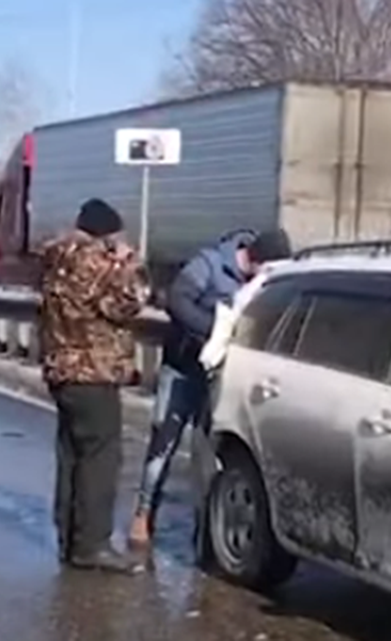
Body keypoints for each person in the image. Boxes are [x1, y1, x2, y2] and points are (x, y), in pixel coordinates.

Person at [128, 228, 292, 548]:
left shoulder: (260, 283)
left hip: (219, 376)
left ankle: (205, 526)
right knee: (164, 443)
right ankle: (144, 513)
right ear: (255, 258)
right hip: (182, 368)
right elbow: (178, 300)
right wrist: (215, 330)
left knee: (208, 454)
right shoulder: (209, 264)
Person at [39, 198, 149, 574]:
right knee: (100, 458)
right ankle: (93, 544)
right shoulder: (99, 264)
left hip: (60, 368)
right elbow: (126, 305)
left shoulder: (56, 259)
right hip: (93, 371)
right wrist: (129, 263)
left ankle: (69, 538)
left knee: (71, 454)